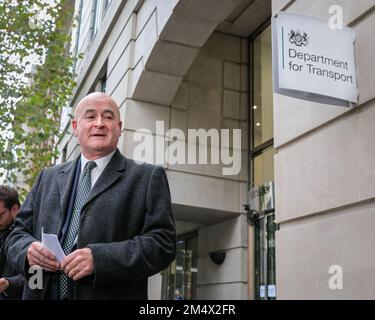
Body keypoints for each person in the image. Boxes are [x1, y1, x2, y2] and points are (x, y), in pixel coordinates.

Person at [5, 92, 176, 300]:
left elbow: (163, 244)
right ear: (75, 128)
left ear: (119, 128)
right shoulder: (47, 177)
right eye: (91, 116)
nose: (100, 123)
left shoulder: (147, 177)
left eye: (108, 116)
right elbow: (16, 233)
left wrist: (100, 259)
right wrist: (27, 251)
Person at [0, 185, 24, 300]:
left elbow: (38, 280)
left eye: (0, 216)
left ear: (14, 209)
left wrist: (9, 283)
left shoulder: (31, 234)